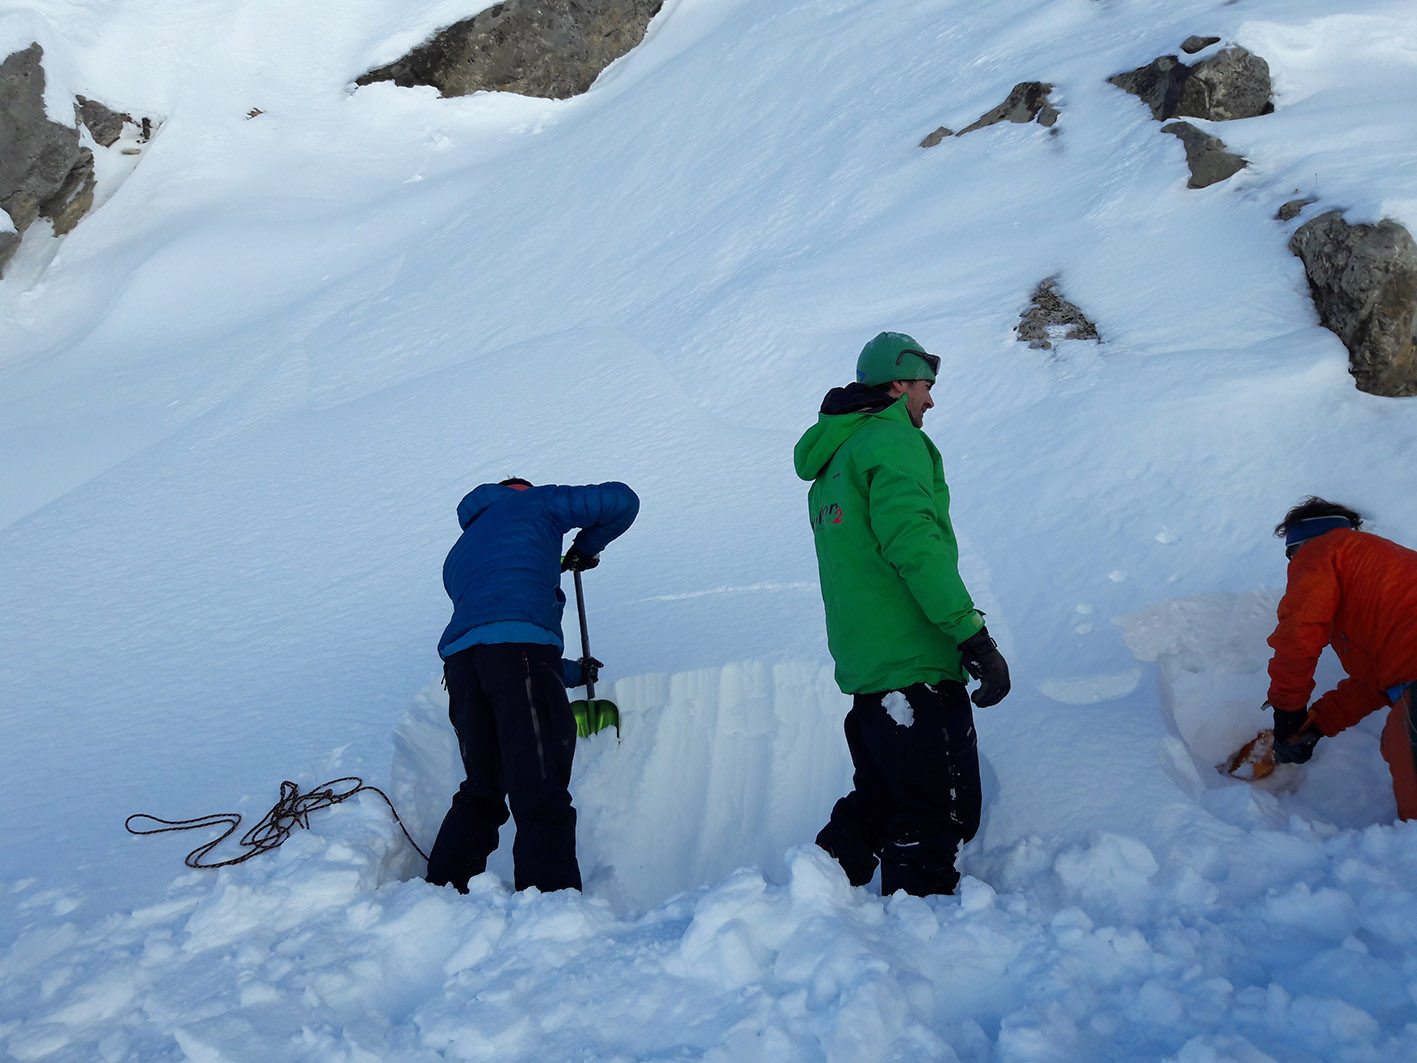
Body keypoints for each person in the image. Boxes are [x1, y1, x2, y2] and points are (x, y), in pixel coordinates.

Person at [792, 331, 1010, 896]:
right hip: (916, 669)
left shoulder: (834, 461)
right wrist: (973, 635)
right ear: (896, 386)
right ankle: (926, 932)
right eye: (924, 387)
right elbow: (916, 547)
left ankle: (812, 896)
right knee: (941, 810)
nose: (929, 402)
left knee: (882, 798)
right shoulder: (890, 443)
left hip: (870, 672)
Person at [426, 476, 639, 893]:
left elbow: (496, 641)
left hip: (462, 667)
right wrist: (582, 550)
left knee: (482, 789)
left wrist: (574, 673)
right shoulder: (537, 503)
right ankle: (550, 903)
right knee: (540, 786)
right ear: (521, 489)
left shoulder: (460, 553)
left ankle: (441, 892)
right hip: (521, 655)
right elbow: (621, 501)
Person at [1263, 496, 1417, 820]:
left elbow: (1298, 634)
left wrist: (1287, 712)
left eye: (1291, 555)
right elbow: (1372, 681)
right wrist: (1315, 727)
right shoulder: (1381, 577)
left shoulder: (1323, 551)